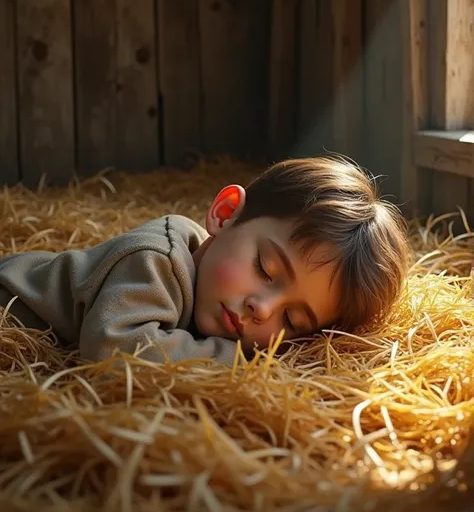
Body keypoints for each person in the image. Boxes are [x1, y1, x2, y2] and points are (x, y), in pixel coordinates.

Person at [0, 156, 410, 367]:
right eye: (265, 269)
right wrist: (240, 362)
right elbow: (114, 353)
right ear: (226, 212)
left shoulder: (211, 293)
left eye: (292, 322)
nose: (262, 308)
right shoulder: (157, 260)